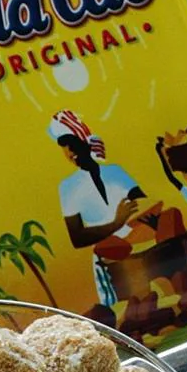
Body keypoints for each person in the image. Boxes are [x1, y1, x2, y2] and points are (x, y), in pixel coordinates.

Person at [50, 110, 145, 306]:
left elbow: (145, 203)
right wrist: (116, 223)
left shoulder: (115, 172)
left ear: (86, 142)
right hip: (108, 261)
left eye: (73, 145)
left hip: (142, 250)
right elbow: (77, 237)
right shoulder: (68, 187)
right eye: (65, 149)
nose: (70, 153)